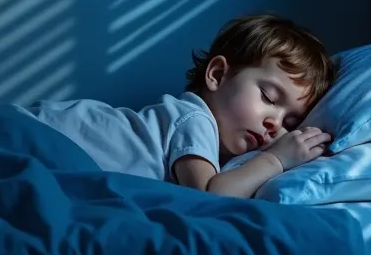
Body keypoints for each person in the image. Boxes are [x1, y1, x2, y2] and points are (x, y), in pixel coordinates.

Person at [17, 13, 336, 198]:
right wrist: (276, 159)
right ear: (217, 74)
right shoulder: (194, 119)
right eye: (268, 97)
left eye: (290, 123)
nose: (274, 124)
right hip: (35, 134)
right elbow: (210, 196)